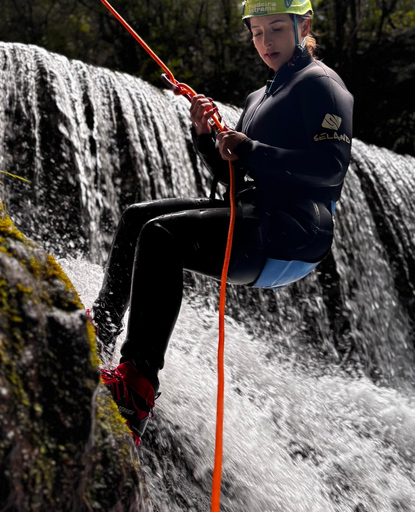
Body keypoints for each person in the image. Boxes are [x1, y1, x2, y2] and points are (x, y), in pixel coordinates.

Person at [90, 0, 353, 445]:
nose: (265, 42)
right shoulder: (258, 97)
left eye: (276, 30)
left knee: (161, 236)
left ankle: (136, 387)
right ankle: (100, 333)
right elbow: (234, 176)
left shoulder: (323, 85)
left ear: (302, 26)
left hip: (296, 231)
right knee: (138, 218)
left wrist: (250, 148)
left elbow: (330, 167)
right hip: (257, 212)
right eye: (256, 33)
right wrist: (205, 137)